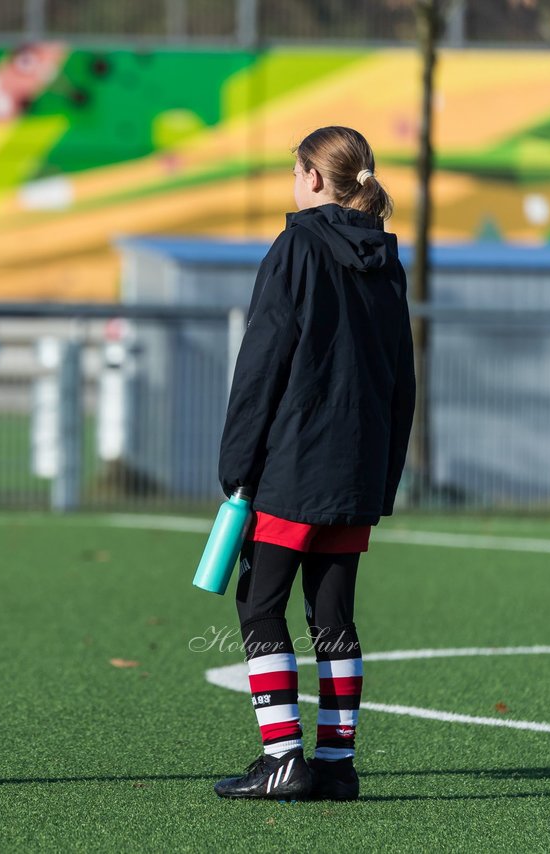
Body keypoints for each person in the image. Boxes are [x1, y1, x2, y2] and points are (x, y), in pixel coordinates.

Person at [212, 126, 415, 801]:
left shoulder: (296, 244)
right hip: (356, 466)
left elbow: (262, 361)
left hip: (293, 464)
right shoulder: (388, 259)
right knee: (334, 616)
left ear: (314, 178)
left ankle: (281, 759)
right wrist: (383, 473)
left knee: (259, 604)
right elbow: (402, 377)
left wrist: (237, 461)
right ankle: (335, 764)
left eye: (298, 172)